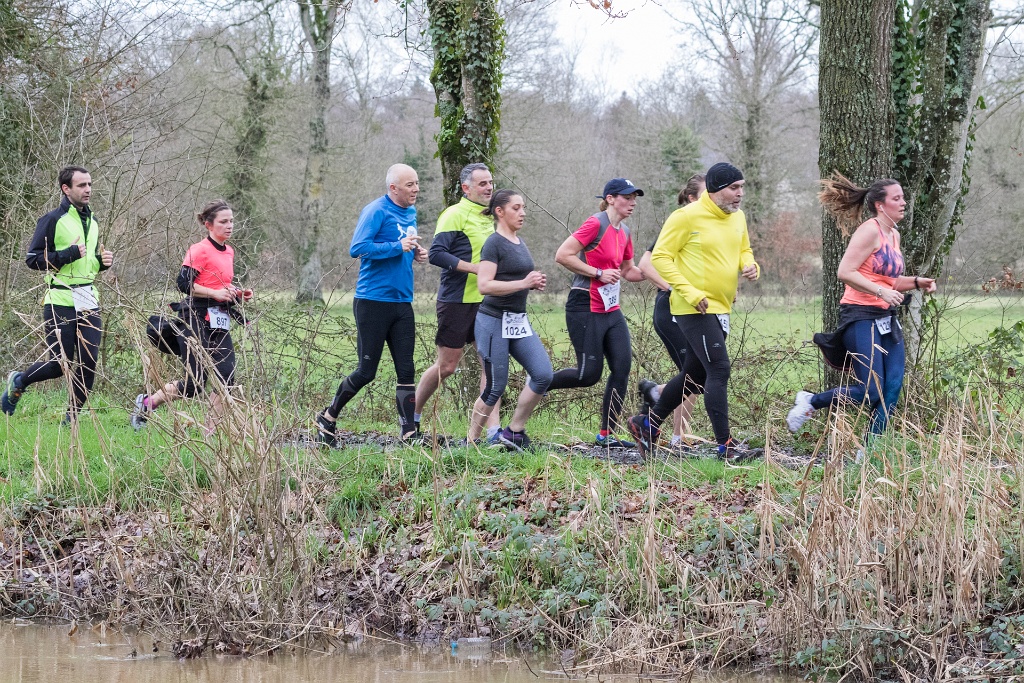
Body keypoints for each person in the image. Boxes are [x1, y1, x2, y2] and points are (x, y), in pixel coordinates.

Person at [626, 163, 761, 460]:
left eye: (742, 187)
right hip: (692, 308)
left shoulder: (737, 217)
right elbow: (660, 258)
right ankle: (726, 446)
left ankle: (647, 424)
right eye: (734, 188)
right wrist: (689, 291)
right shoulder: (685, 217)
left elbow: (744, 249)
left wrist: (750, 265)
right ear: (715, 190)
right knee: (719, 369)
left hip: (721, 306)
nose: (740, 193)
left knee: (694, 376)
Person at [786, 172, 936, 437]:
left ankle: (869, 450)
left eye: (903, 197)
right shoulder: (869, 230)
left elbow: (889, 280)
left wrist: (916, 282)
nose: (903, 202)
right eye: (896, 198)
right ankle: (811, 401)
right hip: (860, 316)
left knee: (892, 388)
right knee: (870, 391)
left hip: (886, 318)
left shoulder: (894, 235)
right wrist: (881, 292)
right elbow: (845, 271)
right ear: (880, 205)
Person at [314, 164, 427, 447]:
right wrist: (397, 247)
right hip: (373, 301)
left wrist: (415, 252)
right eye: (410, 185)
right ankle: (328, 417)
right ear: (393, 188)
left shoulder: (411, 212)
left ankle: (409, 434)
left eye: (416, 183)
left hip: (402, 301)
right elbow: (358, 248)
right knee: (366, 372)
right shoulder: (376, 211)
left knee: (406, 369)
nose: (416, 189)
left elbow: (402, 244)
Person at [2, 166, 114, 423]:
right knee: (59, 365)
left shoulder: (93, 221)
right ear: (66, 189)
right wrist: (68, 254)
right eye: (81, 185)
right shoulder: (52, 220)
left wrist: (101, 262)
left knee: (88, 363)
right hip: (60, 300)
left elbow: (87, 265)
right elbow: (32, 259)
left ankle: (71, 420)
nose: (88, 189)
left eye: (89, 184)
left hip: (88, 299)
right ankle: (20, 381)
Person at [130, 199, 253, 433]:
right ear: (209, 225)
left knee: (226, 377)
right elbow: (183, 284)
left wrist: (237, 293)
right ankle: (147, 404)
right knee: (194, 383)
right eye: (223, 222)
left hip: (219, 317)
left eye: (231, 221)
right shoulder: (199, 250)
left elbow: (219, 283)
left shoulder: (229, 251)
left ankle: (210, 435)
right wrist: (215, 293)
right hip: (194, 316)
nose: (229, 225)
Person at [548, 178, 647, 449]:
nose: (632, 203)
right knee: (588, 375)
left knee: (622, 367)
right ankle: (541, 382)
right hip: (584, 305)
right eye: (627, 197)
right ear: (611, 199)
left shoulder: (625, 231)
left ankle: (606, 434)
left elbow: (628, 270)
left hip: (610, 308)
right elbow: (562, 255)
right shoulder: (596, 223)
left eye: (635, 198)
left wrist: (654, 273)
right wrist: (598, 273)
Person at [416, 163, 501, 440]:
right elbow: (437, 254)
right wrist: (475, 269)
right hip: (456, 300)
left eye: (490, 182)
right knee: (447, 367)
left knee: (492, 364)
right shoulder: (454, 214)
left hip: (487, 302)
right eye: (482, 184)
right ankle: (411, 417)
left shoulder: (493, 217)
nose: (488, 188)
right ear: (466, 188)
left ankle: (492, 432)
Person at [468, 190, 553, 451]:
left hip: (517, 321)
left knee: (543, 374)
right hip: (493, 321)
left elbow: (515, 280)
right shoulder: (493, 243)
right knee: (495, 387)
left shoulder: (518, 241)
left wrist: (532, 283)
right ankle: (470, 443)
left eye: (523, 207)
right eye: (516, 208)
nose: (522, 213)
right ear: (500, 211)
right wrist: (523, 283)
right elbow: (484, 285)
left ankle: (514, 431)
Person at [637, 174, 706, 451]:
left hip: (692, 311)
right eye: (706, 194)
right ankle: (676, 436)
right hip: (671, 310)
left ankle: (659, 398)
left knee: (694, 375)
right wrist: (674, 288)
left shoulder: (707, 227)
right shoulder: (681, 222)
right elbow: (645, 264)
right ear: (691, 198)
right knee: (693, 376)